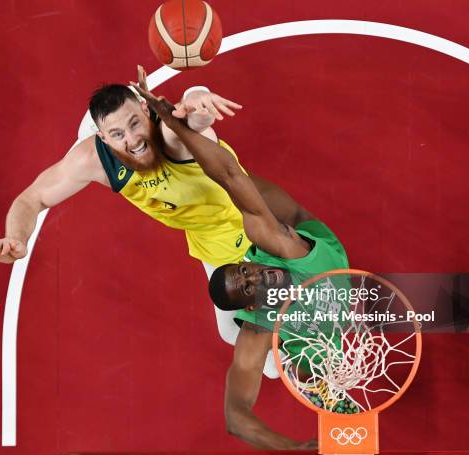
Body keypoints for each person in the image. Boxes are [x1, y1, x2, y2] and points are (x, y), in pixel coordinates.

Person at [0, 66, 295, 377]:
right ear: (103, 138)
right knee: (232, 332)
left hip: (256, 224)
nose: (133, 139)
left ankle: (299, 352)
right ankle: (282, 360)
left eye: (135, 123)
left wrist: (199, 98)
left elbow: (196, 121)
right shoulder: (95, 160)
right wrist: (15, 237)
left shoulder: (172, 134)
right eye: (117, 134)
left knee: (297, 307)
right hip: (213, 243)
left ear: (146, 109)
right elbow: (32, 199)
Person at [130, 82, 352, 450]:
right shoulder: (258, 321)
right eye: (248, 284)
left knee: (240, 188)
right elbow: (236, 417)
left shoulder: (279, 244)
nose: (253, 274)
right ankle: (291, 367)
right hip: (273, 297)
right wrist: (286, 445)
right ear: (253, 306)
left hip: (288, 229)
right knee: (248, 348)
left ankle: (180, 138)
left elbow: (230, 175)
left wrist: (171, 117)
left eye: (245, 269)